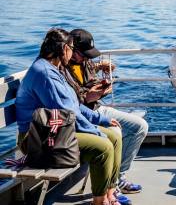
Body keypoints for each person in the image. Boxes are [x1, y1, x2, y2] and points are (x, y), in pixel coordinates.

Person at [15, 28, 123, 205]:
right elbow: (69, 113)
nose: (72, 53)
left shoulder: (54, 69)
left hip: (55, 129)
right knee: (103, 147)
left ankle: (110, 195)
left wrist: (100, 120)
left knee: (114, 136)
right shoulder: (45, 74)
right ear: (64, 48)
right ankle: (99, 201)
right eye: (72, 48)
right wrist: (95, 132)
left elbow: (74, 105)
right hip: (36, 139)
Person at [61, 29, 148, 195]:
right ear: (70, 50)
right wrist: (88, 97)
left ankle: (118, 177)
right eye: (83, 54)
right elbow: (69, 104)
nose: (86, 58)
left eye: (89, 55)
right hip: (82, 115)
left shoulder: (84, 62)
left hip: (97, 108)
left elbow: (89, 72)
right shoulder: (61, 69)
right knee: (114, 132)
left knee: (140, 126)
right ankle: (109, 186)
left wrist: (102, 77)